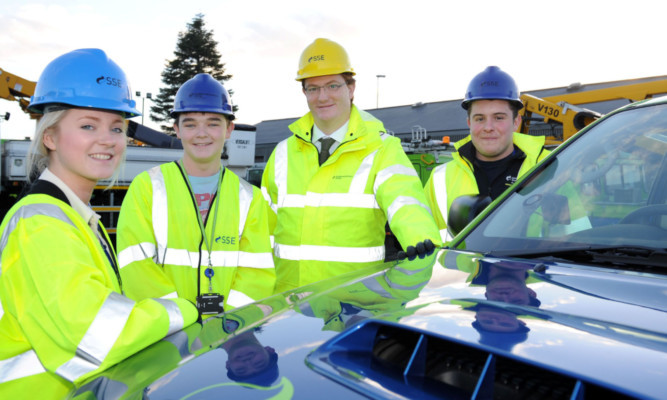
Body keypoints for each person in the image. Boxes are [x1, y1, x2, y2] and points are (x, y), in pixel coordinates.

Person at [0, 48, 198, 397]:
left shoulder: (69, 214)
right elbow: (96, 332)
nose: (108, 139)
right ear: (50, 137)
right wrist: (186, 310)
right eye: (88, 125)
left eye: (117, 127)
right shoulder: (41, 223)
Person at [261, 38, 441, 293]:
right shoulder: (282, 154)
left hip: (353, 306)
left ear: (351, 87)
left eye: (332, 85)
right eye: (313, 88)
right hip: (288, 308)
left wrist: (423, 243)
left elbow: (407, 206)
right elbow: (263, 231)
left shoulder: (381, 148)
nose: (322, 97)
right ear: (304, 92)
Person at [116, 73, 275, 316]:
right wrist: (179, 320)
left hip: (229, 336)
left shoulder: (250, 198)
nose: (202, 133)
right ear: (176, 129)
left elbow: (257, 272)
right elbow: (136, 267)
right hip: (165, 332)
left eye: (213, 123)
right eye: (190, 124)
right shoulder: (147, 187)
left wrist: (229, 324)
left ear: (229, 129)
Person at [425, 66, 551, 242]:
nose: (488, 127)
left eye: (499, 118)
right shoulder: (440, 178)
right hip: (458, 270)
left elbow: (574, 233)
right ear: (469, 122)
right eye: (480, 119)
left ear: (516, 122)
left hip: (530, 270)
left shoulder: (549, 169)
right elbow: (423, 237)